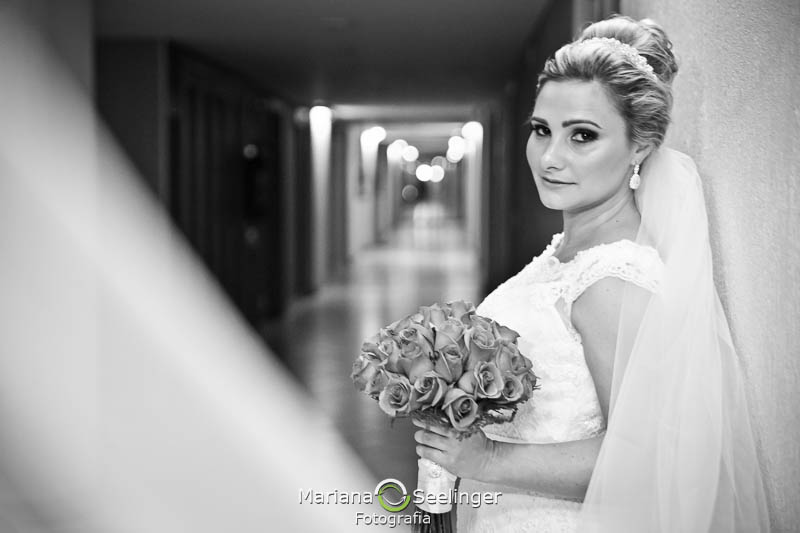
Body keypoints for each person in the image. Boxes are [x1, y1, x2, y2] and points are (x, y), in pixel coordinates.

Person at [413, 15, 769, 532]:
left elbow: (648, 458)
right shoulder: (567, 253)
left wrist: (487, 460)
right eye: (541, 130)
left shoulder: (612, 281)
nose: (550, 157)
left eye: (583, 135)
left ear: (640, 147)